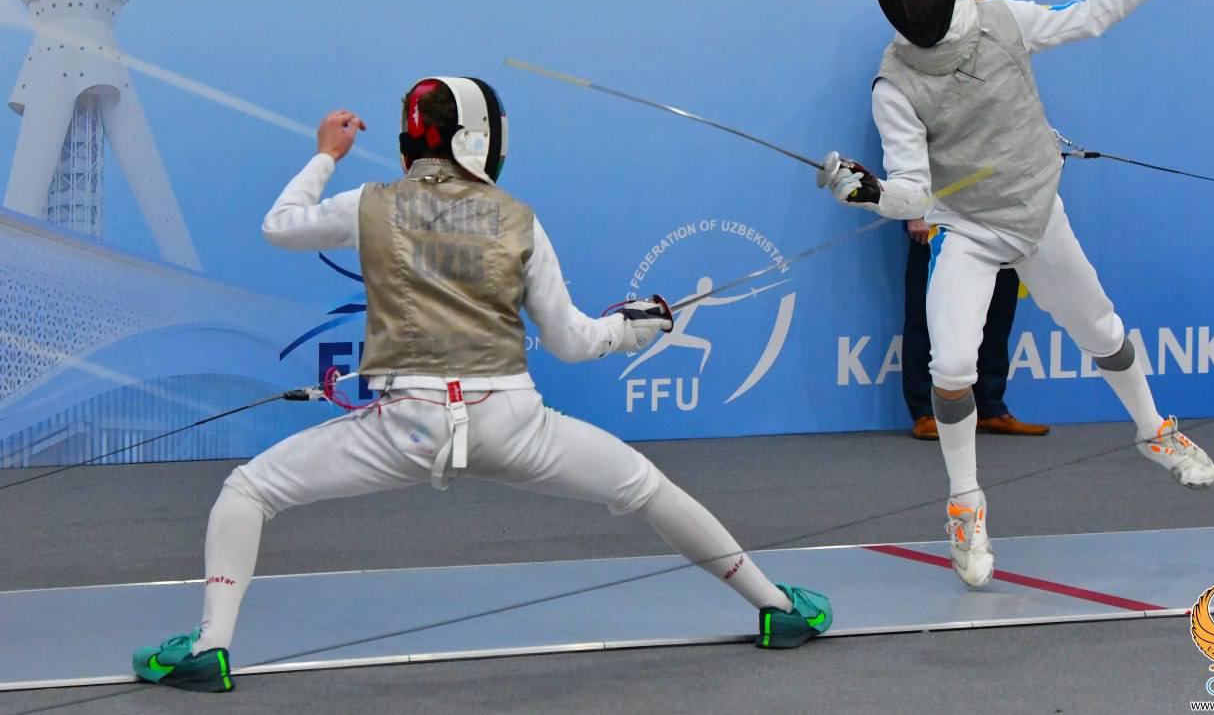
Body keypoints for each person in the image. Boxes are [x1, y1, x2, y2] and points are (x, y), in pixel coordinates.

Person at [132, 77, 831, 693]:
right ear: (484, 141)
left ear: (412, 142)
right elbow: (572, 341)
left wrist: (326, 154)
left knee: (248, 491)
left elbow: (280, 226)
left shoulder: (370, 204)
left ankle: (209, 648)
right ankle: (777, 609)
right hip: (513, 423)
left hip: (406, 427)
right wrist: (634, 329)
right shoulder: (518, 218)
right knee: (648, 488)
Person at [818, 0, 1214, 589]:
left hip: (1036, 215)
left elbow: (1093, 13)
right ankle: (965, 504)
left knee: (1102, 331)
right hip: (967, 229)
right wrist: (873, 193)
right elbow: (914, 190)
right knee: (951, 364)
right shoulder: (895, 84)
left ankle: (1155, 431)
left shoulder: (1003, 21)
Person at [900, 0, 1048, 441]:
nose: (976, 0)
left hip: (1002, 210)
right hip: (944, 217)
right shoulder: (916, 58)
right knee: (933, 316)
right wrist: (916, 211)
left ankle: (990, 405)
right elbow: (906, 146)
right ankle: (926, 410)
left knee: (999, 312)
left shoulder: (1002, 49)